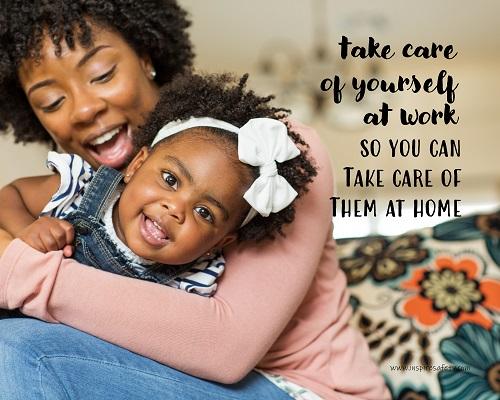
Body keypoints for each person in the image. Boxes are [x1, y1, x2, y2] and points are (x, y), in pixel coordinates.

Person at [0, 1, 390, 399]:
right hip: (158, 375)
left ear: (146, 57)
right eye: (51, 102)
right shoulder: (80, 187)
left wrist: (19, 269)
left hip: (300, 389)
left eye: (102, 74)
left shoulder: (267, 156)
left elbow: (227, 347)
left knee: (19, 350)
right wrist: (25, 235)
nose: (83, 109)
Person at [0, 72, 317, 297]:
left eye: (204, 213)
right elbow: (10, 195)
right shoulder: (82, 187)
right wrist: (26, 228)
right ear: (137, 165)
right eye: (170, 180)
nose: (176, 208)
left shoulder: (195, 281)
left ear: (219, 242)